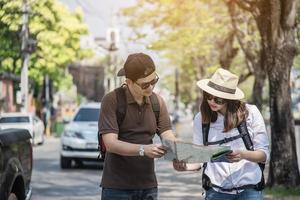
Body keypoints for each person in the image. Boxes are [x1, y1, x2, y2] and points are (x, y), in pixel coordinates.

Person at [173, 68, 270, 200]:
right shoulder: (200, 119)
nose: (212, 102)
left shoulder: (251, 113)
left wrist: (243, 154)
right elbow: (200, 157)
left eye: (218, 99)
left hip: (249, 189)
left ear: (229, 99)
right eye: (208, 96)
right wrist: (184, 166)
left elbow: (264, 155)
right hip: (216, 191)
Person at [98, 53, 176, 200]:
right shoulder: (111, 100)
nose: (151, 87)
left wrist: (178, 152)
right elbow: (111, 144)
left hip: (148, 187)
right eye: (145, 84)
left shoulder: (157, 102)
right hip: (117, 188)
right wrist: (143, 149)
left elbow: (167, 135)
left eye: (154, 81)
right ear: (129, 82)